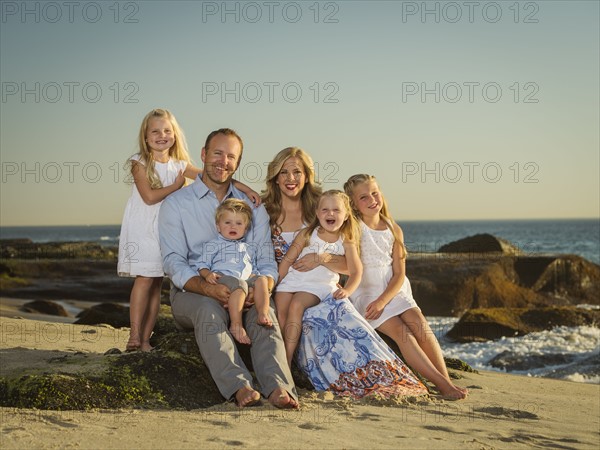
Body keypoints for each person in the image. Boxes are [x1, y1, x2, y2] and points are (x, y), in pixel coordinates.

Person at [263, 147, 428, 399]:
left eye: (297, 171)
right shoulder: (264, 211)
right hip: (284, 282)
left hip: (320, 288)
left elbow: (350, 264)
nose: (290, 178)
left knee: (336, 316)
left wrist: (323, 259)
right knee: (285, 315)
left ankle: (371, 378)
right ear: (275, 177)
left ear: (307, 175)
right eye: (283, 172)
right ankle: (282, 376)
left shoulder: (320, 207)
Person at [158, 128, 298, 408]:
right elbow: (173, 261)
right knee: (209, 312)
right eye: (218, 153)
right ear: (204, 155)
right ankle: (239, 386)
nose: (223, 161)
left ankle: (279, 387)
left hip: (244, 287)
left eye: (231, 156)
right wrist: (208, 288)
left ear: (237, 163)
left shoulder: (253, 205)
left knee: (265, 315)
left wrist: (261, 288)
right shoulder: (176, 204)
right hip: (192, 292)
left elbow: (266, 259)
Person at [117, 109, 260, 352]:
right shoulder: (139, 162)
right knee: (144, 280)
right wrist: (175, 186)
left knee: (155, 285)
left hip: (168, 227)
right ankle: (133, 335)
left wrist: (246, 189)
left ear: (175, 135)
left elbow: (214, 177)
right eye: (155, 131)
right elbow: (149, 197)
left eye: (167, 131)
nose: (162, 135)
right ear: (145, 135)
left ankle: (145, 339)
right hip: (145, 229)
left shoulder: (180, 165)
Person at [344, 173, 468, 400]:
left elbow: (400, 274)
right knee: (403, 334)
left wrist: (385, 300)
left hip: (394, 290)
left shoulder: (393, 229)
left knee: (420, 324)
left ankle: (445, 380)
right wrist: (377, 301)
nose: (372, 199)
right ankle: (443, 386)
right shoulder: (353, 228)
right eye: (364, 197)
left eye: (375, 193)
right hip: (367, 293)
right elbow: (349, 265)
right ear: (353, 203)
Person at [275, 190, 362, 367]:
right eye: (325, 210)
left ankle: (287, 360)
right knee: (280, 309)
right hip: (291, 280)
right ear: (317, 213)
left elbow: (356, 271)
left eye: (336, 210)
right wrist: (273, 283)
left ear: (346, 216)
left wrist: (347, 290)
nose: (330, 214)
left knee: (296, 305)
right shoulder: (307, 233)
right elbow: (287, 261)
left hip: (316, 286)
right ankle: (281, 354)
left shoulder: (346, 240)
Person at [195, 198, 273, 345]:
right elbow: (201, 264)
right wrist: (207, 275)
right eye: (227, 222)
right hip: (224, 278)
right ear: (218, 226)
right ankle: (236, 325)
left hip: (244, 280)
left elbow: (252, 267)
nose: (233, 226)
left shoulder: (249, 248)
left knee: (262, 279)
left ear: (246, 228)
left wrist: (254, 279)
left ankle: (263, 313)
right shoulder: (213, 245)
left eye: (238, 223)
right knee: (239, 285)